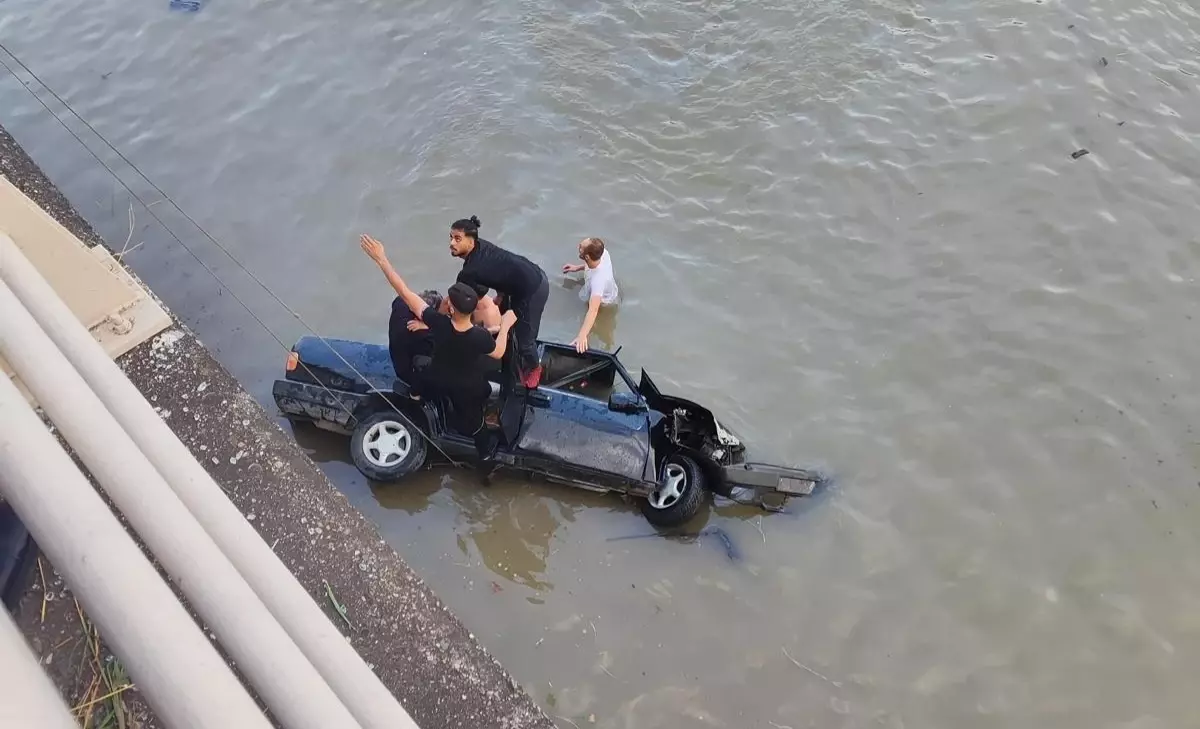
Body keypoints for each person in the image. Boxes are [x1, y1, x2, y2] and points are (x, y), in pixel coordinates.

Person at [361, 234, 517, 470]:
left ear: (451, 308)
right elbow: (498, 353)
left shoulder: (437, 323)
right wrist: (504, 326)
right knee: (476, 425)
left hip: (439, 378)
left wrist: (382, 260)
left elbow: (404, 293)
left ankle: (416, 396)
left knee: (423, 373)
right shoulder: (479, 337)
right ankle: (486, 458)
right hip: (467, 388)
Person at [448, 215, 549, 388]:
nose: (452, 243)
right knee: (507, 323)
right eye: (451, 237)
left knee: (525, 341)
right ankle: (507, 347)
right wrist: (501, 296)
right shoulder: (481, 247)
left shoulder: (470, 271)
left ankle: (535, 367)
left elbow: (459, 306)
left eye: (458, 239)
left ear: (471, 242)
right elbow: (499, 271)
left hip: (533, 289)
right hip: (524, 278)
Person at [562, 237, 619, 353]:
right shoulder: (602, 254)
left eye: (581, 247)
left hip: (604, 303)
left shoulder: (598, 281)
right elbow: (591, 264)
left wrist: (582, 335)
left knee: (593, 317)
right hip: (605, 289)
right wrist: (577, 268)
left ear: (587, 256)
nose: (578, 246)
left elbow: (593, 310)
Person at [388, 289, 442, 382]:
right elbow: (447, 335)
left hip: (397, 355)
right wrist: (429, 326)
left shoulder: (400, 301)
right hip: (408, 374)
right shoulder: (419, 332)